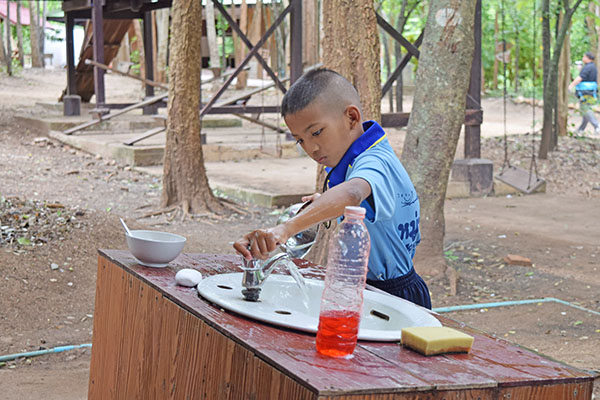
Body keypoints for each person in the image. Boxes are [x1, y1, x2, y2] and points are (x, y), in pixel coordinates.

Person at [233, 68, 432, 309]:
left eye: (316, 132)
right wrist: (324, 203)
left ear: (351, 117)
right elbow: (360, 202)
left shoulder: (373, 161)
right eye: (300, 140)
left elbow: (352, 194)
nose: (312, 148)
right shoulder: (355, 161)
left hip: (395, 295)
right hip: (369, 288)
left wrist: (284, 230)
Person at [568, 52, 600, 137]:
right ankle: (581, 129)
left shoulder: (588, 67)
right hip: (591, 91)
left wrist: (571, 86)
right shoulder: (592, 67)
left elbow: (580, 78)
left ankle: (597, 126)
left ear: (587, 58)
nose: (583, 58)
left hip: (586, 92)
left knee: (585, 109)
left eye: (584, 57)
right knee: (585, 109)